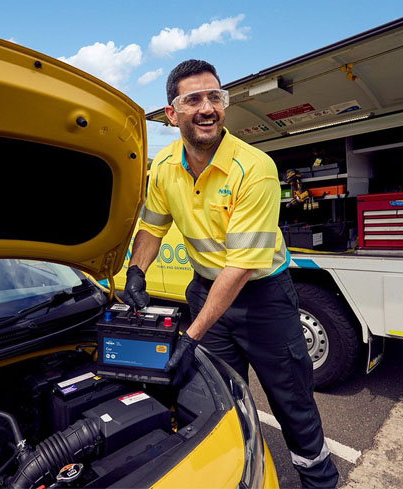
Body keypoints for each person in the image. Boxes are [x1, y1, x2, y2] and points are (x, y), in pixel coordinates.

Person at [123, 59, 339, 488]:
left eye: (215, 97)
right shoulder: (163, 166)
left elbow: (240, 267)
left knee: (292, 402)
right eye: (193, 99)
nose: (208, 108)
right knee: (220, 398)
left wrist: (190, 336)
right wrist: (135, 271)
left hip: (264, 300)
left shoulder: (254, 168)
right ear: (172, 114)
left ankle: (319, 480)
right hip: (206, 291)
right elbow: (152, 226)